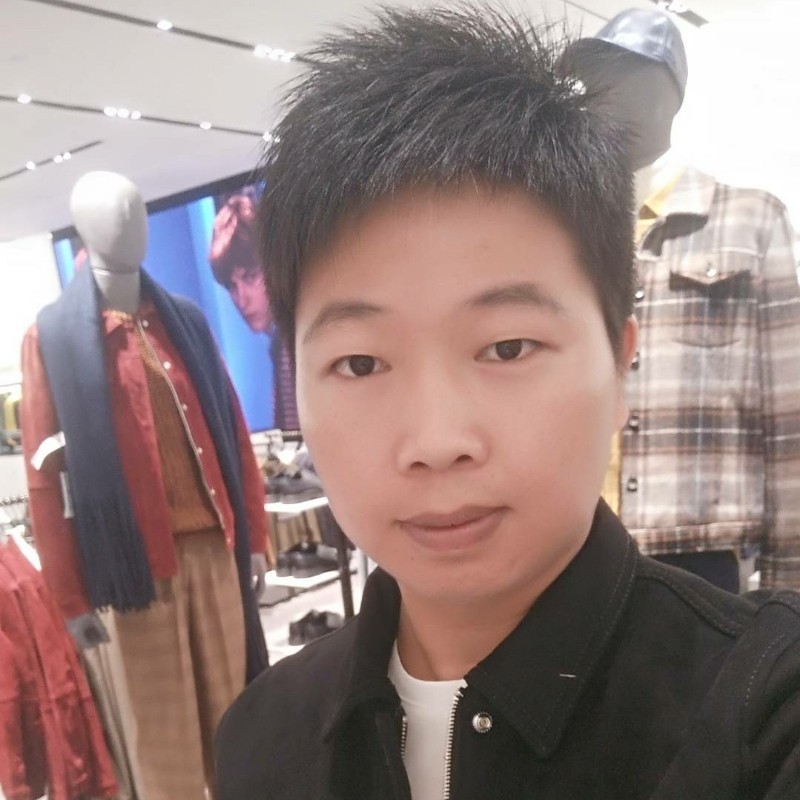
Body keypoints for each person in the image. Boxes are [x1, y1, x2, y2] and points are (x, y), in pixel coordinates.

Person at [215, 7, 800, 799]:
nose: (437, 440)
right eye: (360, 362)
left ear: (621, 362)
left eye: (508, 348)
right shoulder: (258, 738)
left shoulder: (763, 716)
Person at [210, 192, 299, 429]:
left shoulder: (293, 341)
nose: (242, 300)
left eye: (250, 277)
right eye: (231, 286)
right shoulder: (282, 340)